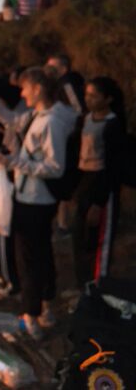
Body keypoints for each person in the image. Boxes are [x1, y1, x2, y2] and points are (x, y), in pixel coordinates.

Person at [0, 67, 79, 337]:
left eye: (25, 88)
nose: (21, 93)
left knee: (28, 260)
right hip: (35, 198)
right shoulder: (42, 115)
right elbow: (12, 120)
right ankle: (46, 309)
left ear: (37, 89)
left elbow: (55, 167)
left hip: (35, 199)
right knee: (42, 253)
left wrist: (14, 162)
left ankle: (30, 317)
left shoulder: (51, 122)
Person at [73, 78, 128, 282]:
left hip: (103, 184)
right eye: (87, 95)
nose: (88, 100)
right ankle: (84, 285)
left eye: (94, 96)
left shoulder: (113, 125)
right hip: (85, 182)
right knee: (80, 237)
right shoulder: (85, 119)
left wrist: (99, 201)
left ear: (108, 99)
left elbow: (113, 167)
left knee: (100, 241)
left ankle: (99, 286)